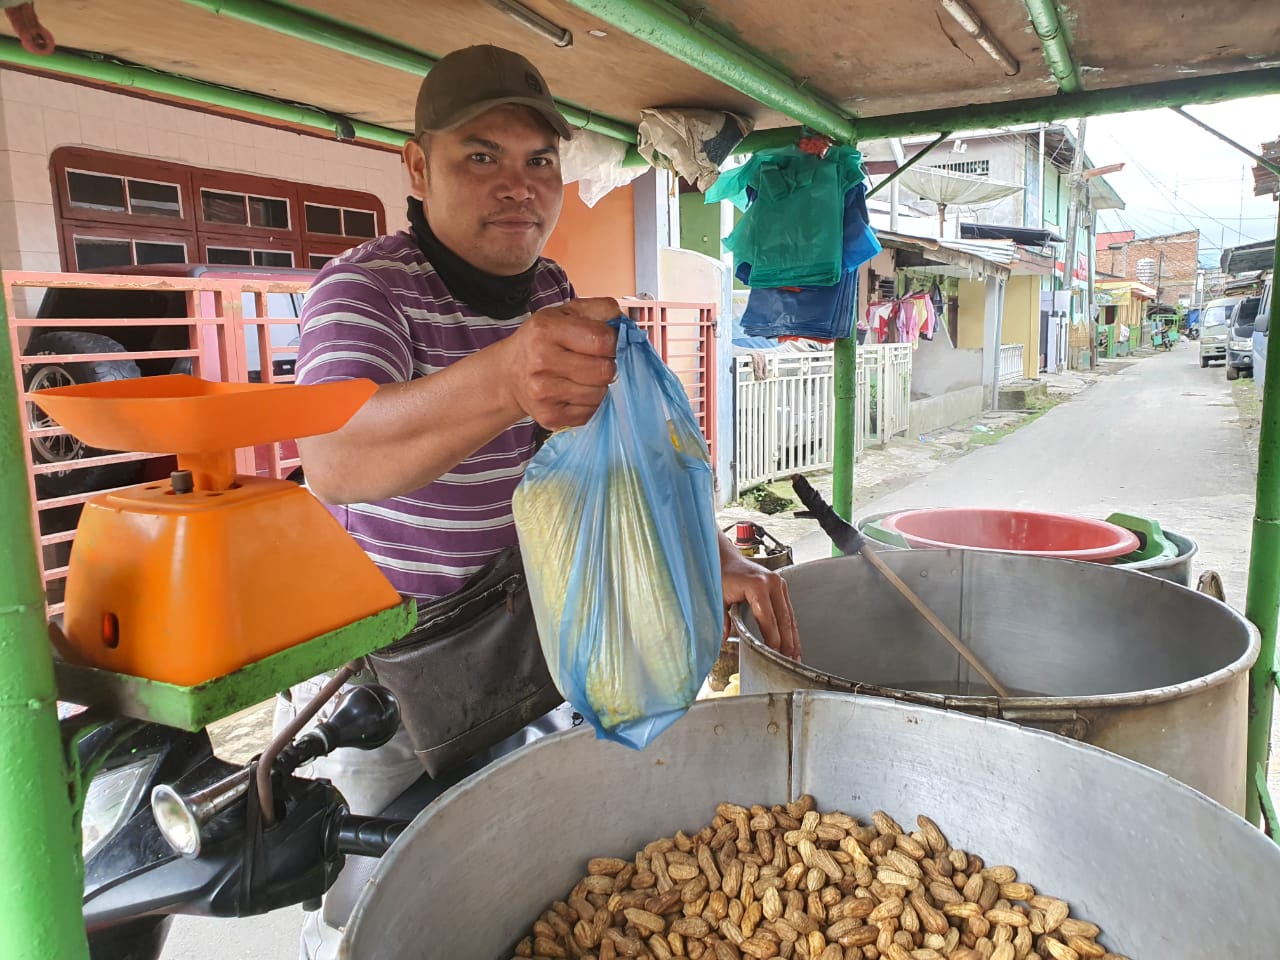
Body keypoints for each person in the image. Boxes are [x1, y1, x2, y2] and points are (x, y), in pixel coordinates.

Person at [276, 43, 799, 957]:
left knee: (509, 875)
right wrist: (505, 376)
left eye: (539, 161)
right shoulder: (364, 292)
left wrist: (705, 552)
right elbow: (334, 458)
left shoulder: (550, 291)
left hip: (516, 636)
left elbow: (610, 469)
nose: (516, 185)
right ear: (416, 163)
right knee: (374, 907)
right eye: (481, 155)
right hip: (381, 671)